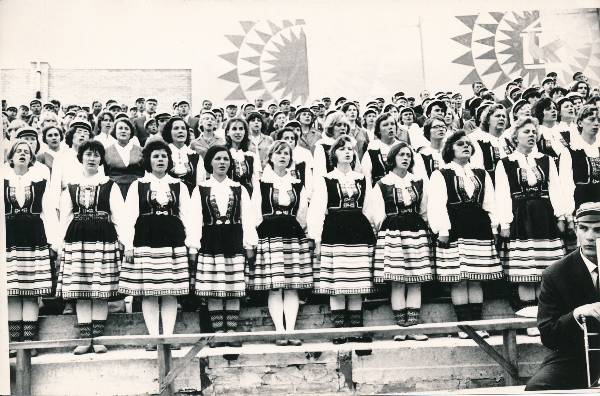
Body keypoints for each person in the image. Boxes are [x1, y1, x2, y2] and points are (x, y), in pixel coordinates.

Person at [119, 141, 197, 350]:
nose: (160, 160)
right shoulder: (139, 185)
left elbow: (188, 216)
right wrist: (128, 244)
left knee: (170, 290)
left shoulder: (179, 185)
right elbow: (128, 217)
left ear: (169, 160)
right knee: (150, 291)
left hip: (172, 238)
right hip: (146, 237)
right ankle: (154, 337)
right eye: (156, 156)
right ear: (148, 161)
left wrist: (192, 245)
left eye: (164, 156)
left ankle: (169, 337)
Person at [495, 117, 568, 336]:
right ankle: (530, 321)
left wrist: (561, 216)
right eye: (526, 131)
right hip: (521, 218)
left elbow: (555, 189)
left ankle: (546, 319)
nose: (531, 135)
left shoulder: (546, 160)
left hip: (544, 218)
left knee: (545, 270)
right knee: (525, 272)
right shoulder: (505, 162)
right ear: (515, 136)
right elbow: (502, 195)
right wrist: (505, 222)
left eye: (533, 131)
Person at [428, 130, 503, 339]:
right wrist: (442, 230)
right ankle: (464, 326)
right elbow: (437, 204)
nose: (465, 147)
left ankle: (477, 324)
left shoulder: (480, 173)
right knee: (460, 278)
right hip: (454, 228)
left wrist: (494, 227)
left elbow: (490, 202)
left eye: (468, 144)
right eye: (460, 144)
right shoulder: (441, 173)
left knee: (476, 277)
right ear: (450, 148)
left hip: (479, 227)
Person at [56, 140, 126, 354]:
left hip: (103, 238)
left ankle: (99, 338)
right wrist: (61, 246)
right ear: (81, 158)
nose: (92, 158)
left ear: (101, 159)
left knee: (100, 291)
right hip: (77, 239)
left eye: (96, 155)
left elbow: (119, 215)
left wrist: (124, 241)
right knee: (82, 290)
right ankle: (85, 338)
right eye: (88, 154)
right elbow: (65, 218)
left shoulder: (109, 185)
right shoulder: (71, 186)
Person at [307, 135, 375, 346]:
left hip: (358, 231)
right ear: (333, 154)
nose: (347, 152)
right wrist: (316, 238)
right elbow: (317, 209)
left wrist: (373, 230)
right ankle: (340, 329)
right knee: (338, 282)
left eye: (350, 149)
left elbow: (369, 207)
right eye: (342, 149)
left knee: (357, 281)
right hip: (335, 231)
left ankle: (355, 328)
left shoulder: (362, 178)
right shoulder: (326, 179)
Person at [525, 202, 600, 391]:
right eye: (583, 228)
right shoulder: (556, 274)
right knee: (537, 388)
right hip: (576, 357)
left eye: (598, 230)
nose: (590, 237)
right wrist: (576, 314)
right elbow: (549, 335)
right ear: (576, 230)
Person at [365, 142, 433, 341]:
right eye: (401, 155)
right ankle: (401, 327)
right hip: (393, 233)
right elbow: (376, 214)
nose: (405, 158)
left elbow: (424, 208)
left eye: (408, 155)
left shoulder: (418, 181)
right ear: (392, 158)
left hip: (416, 230)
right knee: (397, 281)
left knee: (415, 281)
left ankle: (413, 326)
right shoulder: (382, 183)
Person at [191, 145, 258, 347]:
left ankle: (231, 331)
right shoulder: (201, 188)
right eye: (218, 159)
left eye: (226, 159)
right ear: (210, 162)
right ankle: (218, 332)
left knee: (233, 286)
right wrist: (193, 247)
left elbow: (248, 218)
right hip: (210, 240)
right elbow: (195, 220)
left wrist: (249, 244)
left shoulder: (239, 188)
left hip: (233, 239)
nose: (222, 162)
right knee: (214, 288)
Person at [248, 141, 312, 346]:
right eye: (278, 153)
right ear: (271, 157)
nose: (283, 156)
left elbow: (302, 213)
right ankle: (280, 331)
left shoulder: (296, 183)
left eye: (286, 153)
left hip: (292, 234)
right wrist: (256, 238)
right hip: (270, 234)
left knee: (292, 286)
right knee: (275, 286)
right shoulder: (262, 182)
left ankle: (291, 330)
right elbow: (255, 213)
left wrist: (303, 231)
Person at [6, 140, 58, 357]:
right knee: (11, 292)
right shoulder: (2, 180)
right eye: (18, 151)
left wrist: (54, 242)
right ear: (11, 157)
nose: (22, 154)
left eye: (26, 152)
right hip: (8, 240)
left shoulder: (40, 181)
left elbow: (48, 213)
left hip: (34, 238)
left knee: (30, 291)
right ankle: (14, 342)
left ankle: (29, 341)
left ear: (31, 158)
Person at [161, 116, 205, 194]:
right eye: (176, 128)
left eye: (183, 128)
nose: (180, 131)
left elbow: (200, 185)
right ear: (169, 132)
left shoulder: (196, 157)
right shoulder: (162, 155)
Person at [103, 118, 145, 198]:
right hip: (113, 192)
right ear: (115, 131)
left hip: (137, 191)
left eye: (126, 129)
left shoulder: (141, 150)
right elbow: (105, 173)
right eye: (120, 128)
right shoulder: (106, 151)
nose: (123, 131)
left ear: (131, 132)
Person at [224, 117, 261, 196]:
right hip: (227, 195)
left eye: (241, 129)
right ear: (227, 132)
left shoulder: (251, 156)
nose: (238, 132)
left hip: (248, 196)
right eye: (234, 129)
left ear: (245, 132)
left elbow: (256, 181)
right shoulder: (223, 154)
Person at [361, 112, 400, 186]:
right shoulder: (373, 149)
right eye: (385, 125)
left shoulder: (403, 147)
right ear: (378, 130)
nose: (390, 127)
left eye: (392, 124)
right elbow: (367, 178)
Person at [276, 127, 314, 199]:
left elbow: (309, 181)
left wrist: (308, 197)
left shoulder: (303, 160)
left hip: (301, 197)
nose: (290, 141)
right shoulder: (274, 159)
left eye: (292, 138)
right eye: (286, 138)